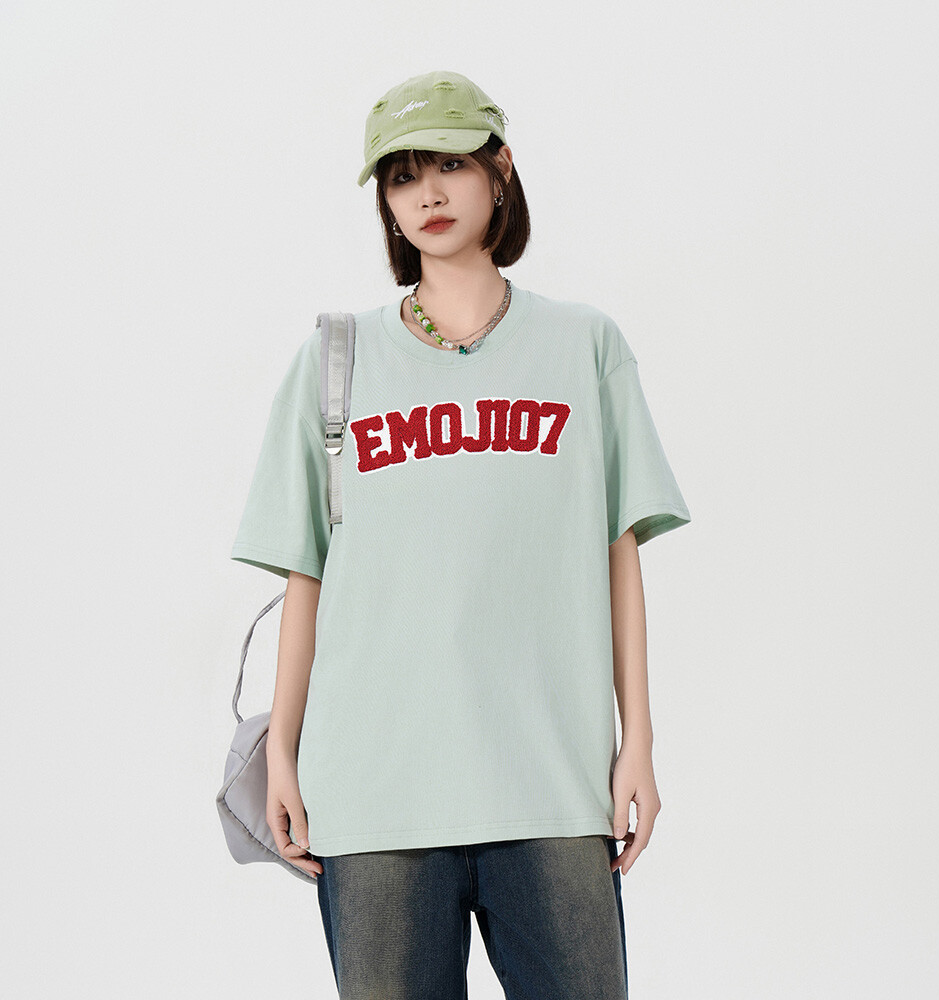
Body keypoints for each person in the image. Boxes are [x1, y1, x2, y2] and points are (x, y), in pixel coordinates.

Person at [230, 69, 692, 1000]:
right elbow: (307, 577)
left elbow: (619, 556)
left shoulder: (585, 346)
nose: (428, 194)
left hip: (551, 782)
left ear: (500, 170)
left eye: (449, 164)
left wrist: (637, 740)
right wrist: (281, 750)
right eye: (402, 177)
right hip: (374, 791)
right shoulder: (334, 360)